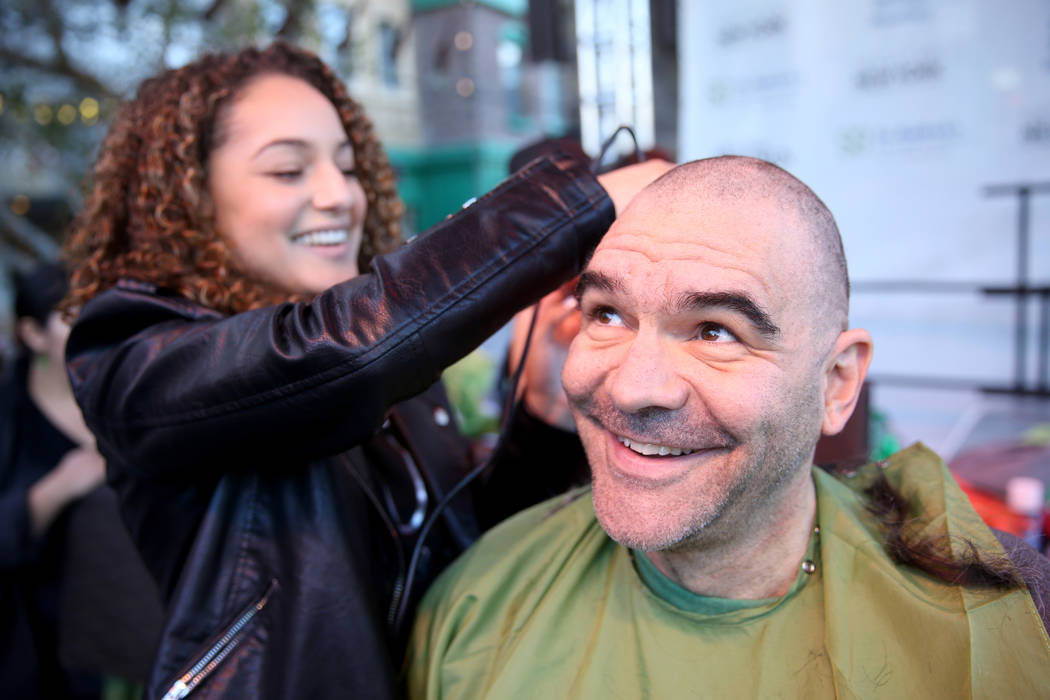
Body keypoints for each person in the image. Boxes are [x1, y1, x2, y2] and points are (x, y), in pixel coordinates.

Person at [62, 41, 667, 699]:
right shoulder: (137, 355)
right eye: (288, 171)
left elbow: (469, 550)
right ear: (189, 198)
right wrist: (581, 204)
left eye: (348, 167)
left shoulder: (387, 370)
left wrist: (544, 413)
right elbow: (341, 353)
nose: (337, 195)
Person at [407, 156, 1050, 698]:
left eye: (716, 331)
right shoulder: (473, 611)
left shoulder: (1005, 622)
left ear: (837, 383)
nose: (633, 387)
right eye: (605, 314)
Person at [1, 262, 106, 698]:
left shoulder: (122, 404)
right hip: (26, 651)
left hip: (118, 646)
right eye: (70, 316)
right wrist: (59, 487)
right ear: (32, 334)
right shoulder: (10, 418)